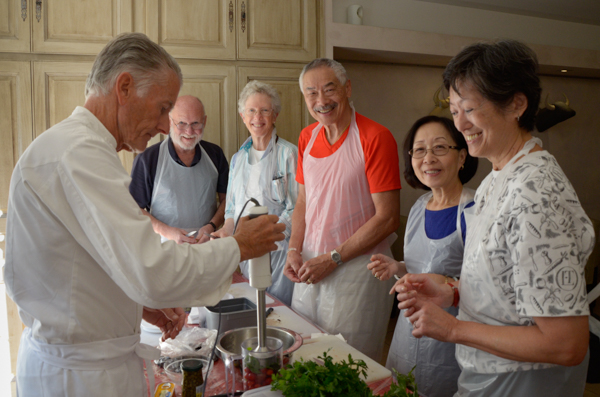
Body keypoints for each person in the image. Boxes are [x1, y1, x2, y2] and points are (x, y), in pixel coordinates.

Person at [4, 33, 284, 397]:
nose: (166, 126)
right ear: (124, 87)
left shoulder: (79, 149)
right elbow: (150, 269)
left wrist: (135, 305)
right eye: (163, 107)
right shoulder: (78, 154)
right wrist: (238, 246)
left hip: (88, 363)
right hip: (80, 380)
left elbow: (85, 269)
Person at [395, 40, 595, 397]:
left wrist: (454, 329)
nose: (460, 124)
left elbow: (566, 344)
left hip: (523, 382)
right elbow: (508, 289)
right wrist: (454, 291)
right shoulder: (495, 180)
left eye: (469, 108)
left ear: (517, 104)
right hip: (486, 371)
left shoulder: (536, 194)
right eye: (454, 110)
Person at [283, 58, 402, 361]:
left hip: (357, 275)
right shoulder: (307, 137)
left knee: (348, 365)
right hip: (310, 266)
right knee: (304, 355)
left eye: (329, 89)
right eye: (311, 93)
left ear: (347, 89)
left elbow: (387, 218)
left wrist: (333, 258)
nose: (321, 101)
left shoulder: (375, 137)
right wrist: (294, 249)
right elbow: (302, 202)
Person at [367, 115, 478, 397]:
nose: (428, 158)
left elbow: (486, 280)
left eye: (440, 148)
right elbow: (422, 264)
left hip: (454, 331)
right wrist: (398, 266)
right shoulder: (418, 206)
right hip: (408, 329)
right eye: (419, 150)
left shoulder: (476, 209)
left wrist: (445, 284)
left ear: (462, 156)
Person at [213, 80, 298, 306]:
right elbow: (231, 207)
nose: (257, 117)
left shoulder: (289, 154)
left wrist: (267, 235)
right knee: (250, 308)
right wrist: (227, 231)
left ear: (275, 115)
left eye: (264, 111)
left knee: (279, 313)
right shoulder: (238, 159)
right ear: (242, 115)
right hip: (245, 250)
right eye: (251, 110)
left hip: (278, 253)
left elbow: (297, 206)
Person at [129, 95, 229, 244]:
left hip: (207, 244)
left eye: (196, 123)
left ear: (204, 122)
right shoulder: (147, 159)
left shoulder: (215, 154)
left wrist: (212, 226)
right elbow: (133, 209)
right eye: (181, 123)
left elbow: (228, 200)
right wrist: (167, 231)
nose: (189, 132)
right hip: (165, 247)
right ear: (170, 121)